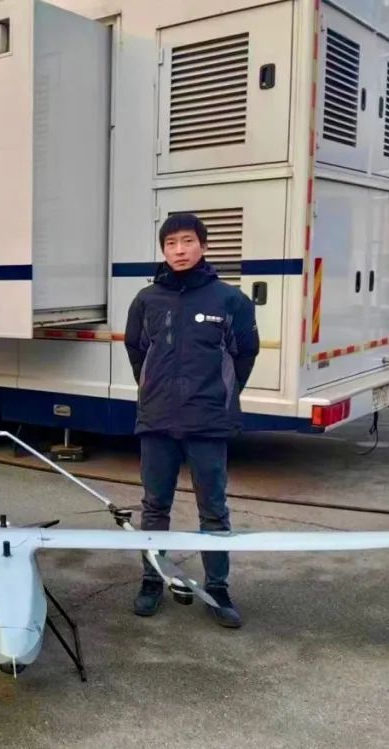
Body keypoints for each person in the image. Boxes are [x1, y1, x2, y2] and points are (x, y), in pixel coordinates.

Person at [123, 213, 260, 629]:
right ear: (163, 250)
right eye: (171, 244)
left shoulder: (230, 300)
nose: (179, 250)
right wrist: (154, 390)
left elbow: (245, 354)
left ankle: (218, 589)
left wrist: (220, 395)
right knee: (154, 507)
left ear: (204, 245)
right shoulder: (146, 300)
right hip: (157, 420)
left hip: (208, 421)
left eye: (187, 241)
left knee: (213, 509)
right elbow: (136, 351)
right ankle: (153, 580)